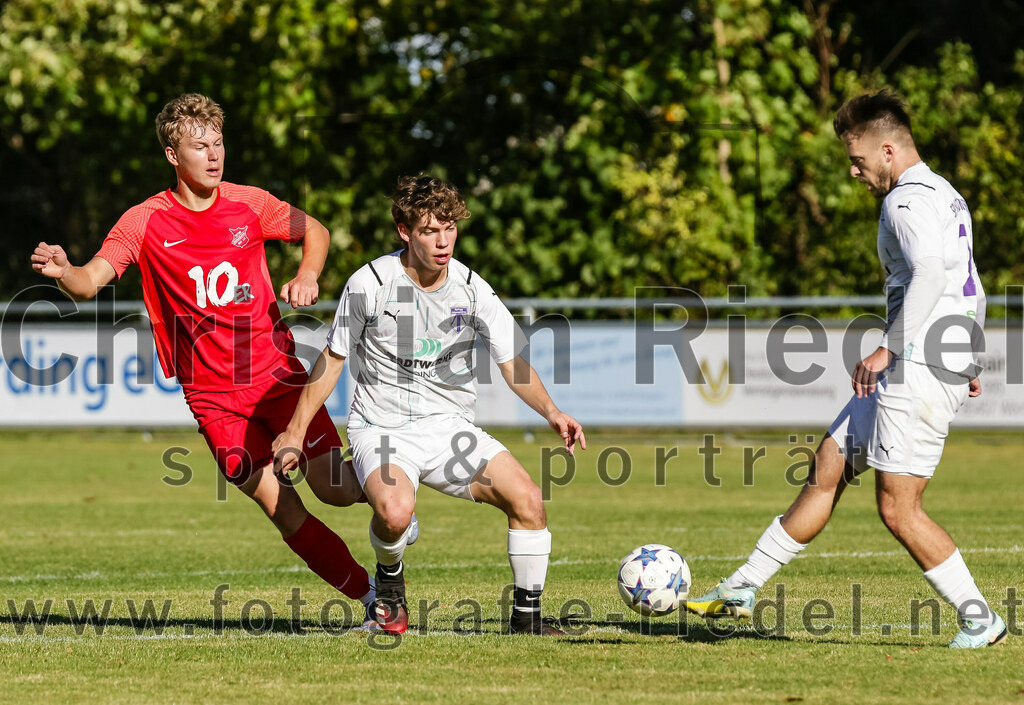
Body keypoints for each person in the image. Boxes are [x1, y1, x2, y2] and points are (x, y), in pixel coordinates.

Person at [31, 93, 381, 625]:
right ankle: (373, 596)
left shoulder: (248, 203)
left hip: (278, 378)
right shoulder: (144, 221)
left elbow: (315, 229)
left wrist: (308, 273)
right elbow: (88, 282)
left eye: (218, 143)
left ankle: (396, 490)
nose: (214, 155)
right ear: (173, 155)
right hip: (212, 398)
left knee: (337, 490)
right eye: (200, 147)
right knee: (282, 509)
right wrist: (65, 271)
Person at [686, 90, 1006, 649]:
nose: (853, 171)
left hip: (917, 365)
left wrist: (889, 348)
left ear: (888, 150)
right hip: (934, 358)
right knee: (828, 466)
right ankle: (742, 586)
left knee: (898, 508)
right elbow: (970, 283)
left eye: (858, 160)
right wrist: (968, 354)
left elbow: (933, 275)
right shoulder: (946, 194)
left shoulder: (904, 202)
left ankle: (980, 619)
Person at [272, 175, 586, 635]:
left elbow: (513, 364)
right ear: (404, 231)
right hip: (382, 428)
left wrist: (553, 412)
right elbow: (332, 361)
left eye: (450, 228)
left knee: (529, 500)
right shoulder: (370, 284)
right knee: (395, 512)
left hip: (448, 429)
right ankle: (390, 584)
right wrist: (295, 432)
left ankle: (528, 620)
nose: (443, 242)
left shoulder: (471, 288)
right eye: (430, 231)